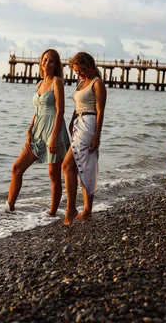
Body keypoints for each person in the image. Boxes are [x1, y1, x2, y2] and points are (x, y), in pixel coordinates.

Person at [6, 49, 70, 215]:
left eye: (50, 61)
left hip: (53, 129)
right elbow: (37, 111)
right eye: (44, 59)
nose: (46, 63)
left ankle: (52, 213)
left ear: (56, 65)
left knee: (53, 174)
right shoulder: (39, 84)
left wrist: (55, 137)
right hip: (37, 130)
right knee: (16, 168)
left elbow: (60, 111)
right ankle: (9, 207)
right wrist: (29, 131)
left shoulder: (57, 82)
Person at [63, 52, 107, 225]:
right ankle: (86, 210)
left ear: (89, 66)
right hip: (78, 123)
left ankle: (72, 209)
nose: (78, 74)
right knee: (82, 167)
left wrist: (97, 136)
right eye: (76, 71)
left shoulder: (97, 83)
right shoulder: (81, 81)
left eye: (81, 71)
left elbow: (100, 111)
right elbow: (78, 105)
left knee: (69, 165)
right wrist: (72, 121)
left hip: (89, 124)